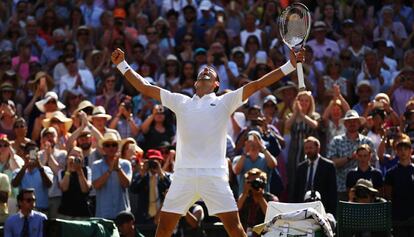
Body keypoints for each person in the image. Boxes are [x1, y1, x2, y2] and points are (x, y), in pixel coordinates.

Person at [112, 46, 301, 237]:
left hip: (214, 176)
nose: (206, 70)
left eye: (210, 71)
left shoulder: (225, 101)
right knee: (163, 229)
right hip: (183, 176)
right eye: (202, 71)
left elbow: (256, 85)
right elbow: (145, 87)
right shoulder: (180, 101)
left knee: (235, 229)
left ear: (217, 84)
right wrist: (122, 64)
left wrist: (289, 66)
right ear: (195, 84)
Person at [293, 136, 337, 215]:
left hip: (321, 207)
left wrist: (330, 212)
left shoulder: (328, 166)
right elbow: (296, 190)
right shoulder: (301, 167)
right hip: (303, 207)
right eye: (306, 148)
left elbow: (332, 191)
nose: (308, 150)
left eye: (311, 148)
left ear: (318, 148)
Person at [92, 133, 132, 219]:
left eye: (114, 145)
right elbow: (96, 185)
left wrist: (118, 169)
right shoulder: (96, 165)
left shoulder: (126, 164)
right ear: (103, 148)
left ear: (118, 147)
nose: (111, 148)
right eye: (107, 145)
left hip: (122, 215)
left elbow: (126, 184)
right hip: (103, 215)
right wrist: (110, 170)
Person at [384, 136, 414, 236]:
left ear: (411, 151)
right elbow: (388, 196)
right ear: (396, 152)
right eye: (400, 149)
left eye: (406, 149)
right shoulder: (391, 173)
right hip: (398, 217)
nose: (403, 152)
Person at [237, 168, 278, 236]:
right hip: (244, 232)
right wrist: (244, 194)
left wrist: (260, 198)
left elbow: (272, 216)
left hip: (263, 233)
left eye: (257, 181)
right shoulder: (244, 197)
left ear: (264, 183)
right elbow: (235, 211)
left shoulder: (271, 198)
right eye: (252, 182)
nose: (255, 184)